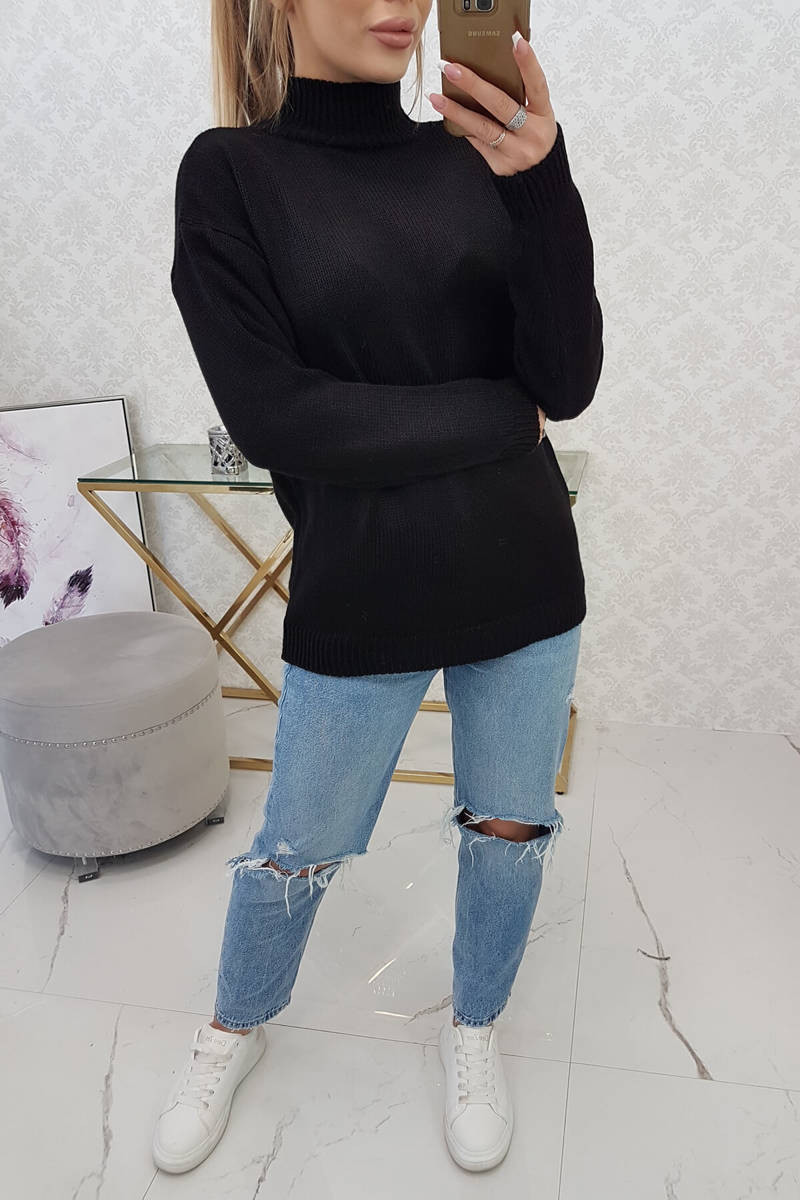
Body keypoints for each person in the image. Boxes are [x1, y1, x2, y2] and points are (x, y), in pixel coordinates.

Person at [153, 0, 603, 1177]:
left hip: (522, 569)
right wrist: (497, 417)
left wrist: (542, 183)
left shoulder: (478, 156)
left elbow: (566, 380)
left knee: (509, 829)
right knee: (297, 843)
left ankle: (473, 1026)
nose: (392, 5)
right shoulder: (231, 174)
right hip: (363, 585)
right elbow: (279, 417)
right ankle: (233, 1026)